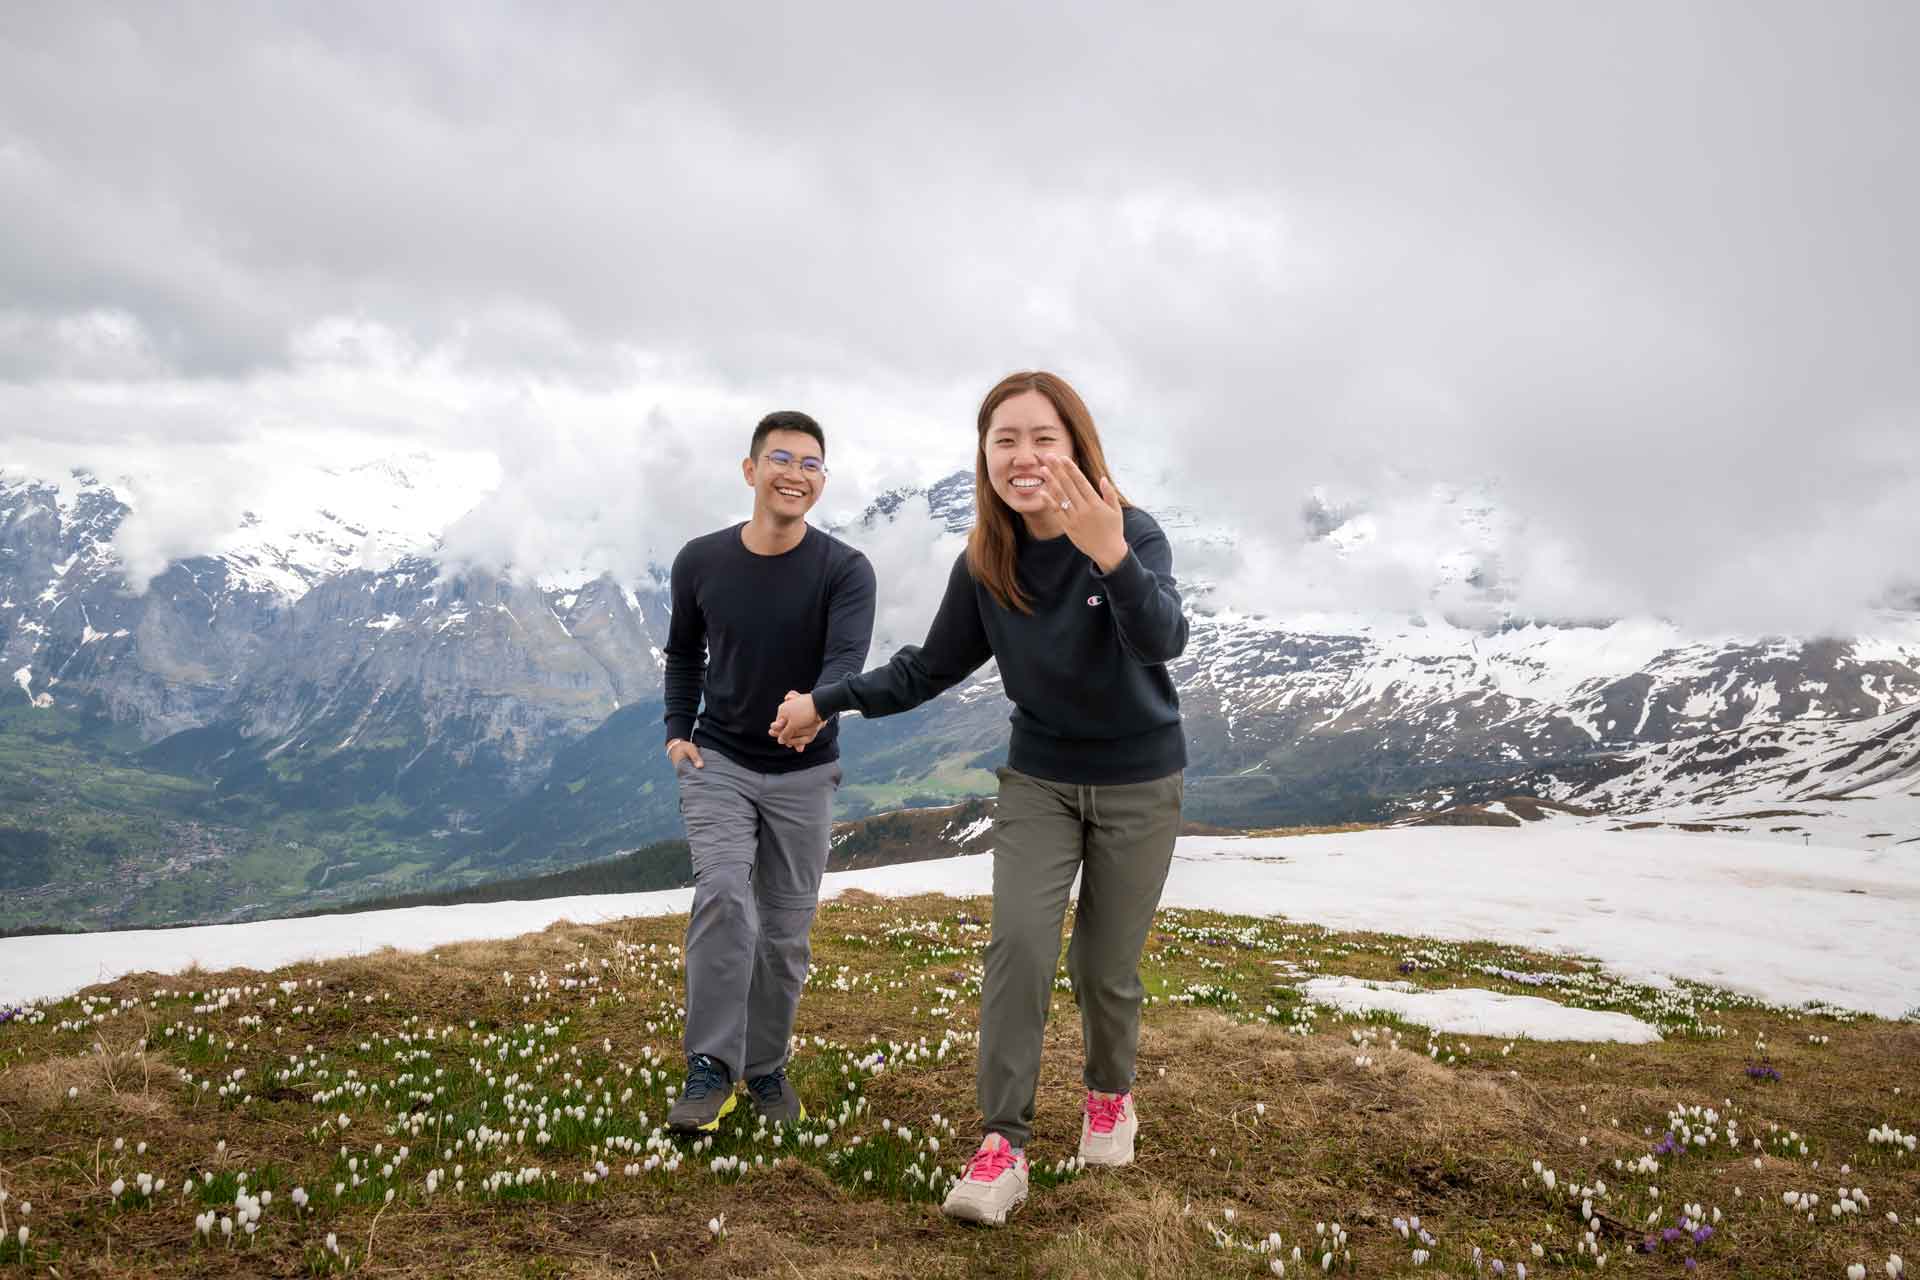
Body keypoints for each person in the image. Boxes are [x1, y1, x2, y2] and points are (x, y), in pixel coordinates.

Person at [771, 371, 1187, 1225]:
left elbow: (1163, 640)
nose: (1024, 456)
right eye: (1005, 440)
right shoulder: (988, 558)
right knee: (1020, 951)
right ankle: (1004, 1145)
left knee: (1104, 968)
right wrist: (828, 700)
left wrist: (1109, 550)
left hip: (1141, 781)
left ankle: (1110, 1096)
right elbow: (931, 666)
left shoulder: (1130, 532)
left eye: (1043, 438)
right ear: (985, 456)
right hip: (1038, 777)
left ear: (1076, 446)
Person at [661, 410, 877, 1133]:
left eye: (812, 463)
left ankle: (766, 1068)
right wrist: (675, 732)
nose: (796, 472)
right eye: (781, 458)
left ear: (822, 481)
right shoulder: (700, 560)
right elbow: (685, 652)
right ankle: (711, 1068)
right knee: (724, 894)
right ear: (751, 471)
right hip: (718, 758)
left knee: (785, 931)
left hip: (806, 772)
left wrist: (817, 704)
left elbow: (846, 661)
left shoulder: (846, 570)